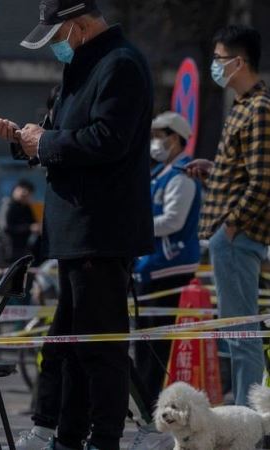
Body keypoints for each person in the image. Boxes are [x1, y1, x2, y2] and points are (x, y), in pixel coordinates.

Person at [0, 0, 154, 448]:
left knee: (99, 347)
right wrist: (28, 141)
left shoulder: (119, 65)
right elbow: (59, 135)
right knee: (70, 345)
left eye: (58, 37)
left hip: (99, 229)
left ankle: (104, 437)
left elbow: (107, 139)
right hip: (76, 230)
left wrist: (45, 142)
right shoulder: (86, 66)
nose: (57, 48)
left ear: (78, 27)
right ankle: (68, 433)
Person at [186, 25, 270, 407]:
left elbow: (263, 180)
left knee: (241, 333)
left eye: (219, 59)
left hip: (238, 237)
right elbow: (246, 172)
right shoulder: (244, 107)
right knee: (237, 333)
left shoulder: (258, 109)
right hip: (231, 235)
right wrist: (215, 169)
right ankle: (246, 416)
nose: (214, 66)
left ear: (239, 62)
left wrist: (233, 225)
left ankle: (247, 422)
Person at [129, 111, 200, 447]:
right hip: (149, 267)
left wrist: (134, 227)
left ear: (176, 138)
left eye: (160, 135)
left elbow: (173, 220)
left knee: (154, 350)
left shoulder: (181, 176)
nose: (155, 142)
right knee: (144, 347)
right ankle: (148, 418)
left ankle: (152, 425)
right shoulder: (159, 174)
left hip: (167, 268)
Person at [0, 180, 39, 261]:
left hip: (23, 249)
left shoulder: (26, 208)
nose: (24, 193)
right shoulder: (8, 205)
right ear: (14, 190)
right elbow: (6, 227)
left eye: (28, 191)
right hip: (7, 249)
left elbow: (34, 223)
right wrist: (29, 228)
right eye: (22, 189)